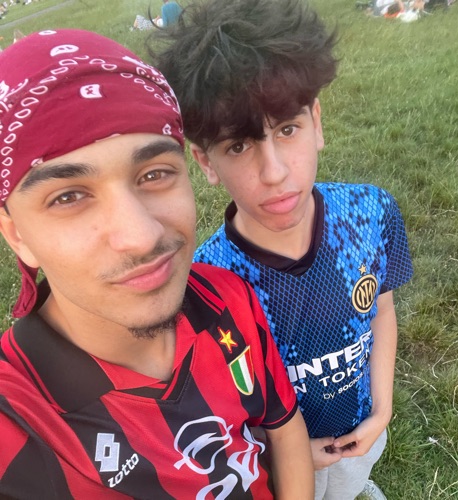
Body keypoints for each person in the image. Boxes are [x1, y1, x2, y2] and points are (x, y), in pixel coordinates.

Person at [0, 28, 314, 498]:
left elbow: (283, 428)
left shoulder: (226, 297)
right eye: (68, 197)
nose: (142, 236)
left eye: (154, 174)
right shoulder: (17, 424)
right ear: (17, 235)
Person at [152, 0, 414, 498]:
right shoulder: (205, 283)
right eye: (239, 146)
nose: (273, 172)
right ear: (205, 162)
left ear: (316, 121)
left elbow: (381, 308)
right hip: (275, 463)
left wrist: (382, 409)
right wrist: (278, 451)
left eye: (286, 130)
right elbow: (220, 399)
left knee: (350, 483)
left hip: (362, 430)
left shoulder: (372, 213)